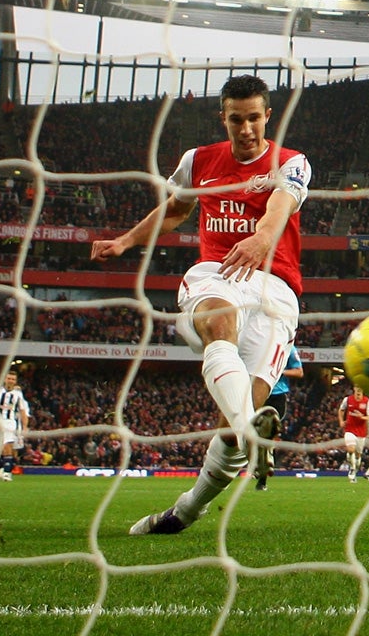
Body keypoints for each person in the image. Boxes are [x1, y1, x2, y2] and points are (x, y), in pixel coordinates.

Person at [91, 74, 310, 535]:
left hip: (275, 289)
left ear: (267, 116)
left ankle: (186, 510)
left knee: (232, 425)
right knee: (219, 320)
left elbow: (279, 209)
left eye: (254, 118)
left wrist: (260, 239)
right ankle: (253, 431)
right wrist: (125, 242)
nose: (246, 129)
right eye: (237, 120)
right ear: (223, 118)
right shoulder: (198, 162)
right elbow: (174, 211)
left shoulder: (291, 163)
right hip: (218, 273)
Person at [255, 344, 303, 491]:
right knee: (256, 435)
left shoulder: (289, 348)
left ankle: (262, 475)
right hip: (258, 392)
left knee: (267, 434)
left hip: (277, 396)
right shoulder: (258, 343)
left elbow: (299, 372)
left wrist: (280, 371)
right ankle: (261, 464)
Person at [0, 368, 29, 482]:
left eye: (13, 379)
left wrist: (25, 426)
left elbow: (23, 411)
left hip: (10, 423)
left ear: (15, 381)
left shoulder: (18, 394)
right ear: (5, 379)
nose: (10, 380)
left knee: (8, 446)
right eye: (9, 378)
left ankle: (7, 473)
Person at [338, 385, 369, 483]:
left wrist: (362, 417)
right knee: (351, 449)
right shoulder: (348, 400)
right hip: (350, 429)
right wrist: (341, 421)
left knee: (358, 455)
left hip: (361, 432)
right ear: (354, 389)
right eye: (356, 389)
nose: (358, 393)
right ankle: (352, 469)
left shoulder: (367, 401)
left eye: (360, 391)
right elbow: (341, 410)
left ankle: (355, 470)